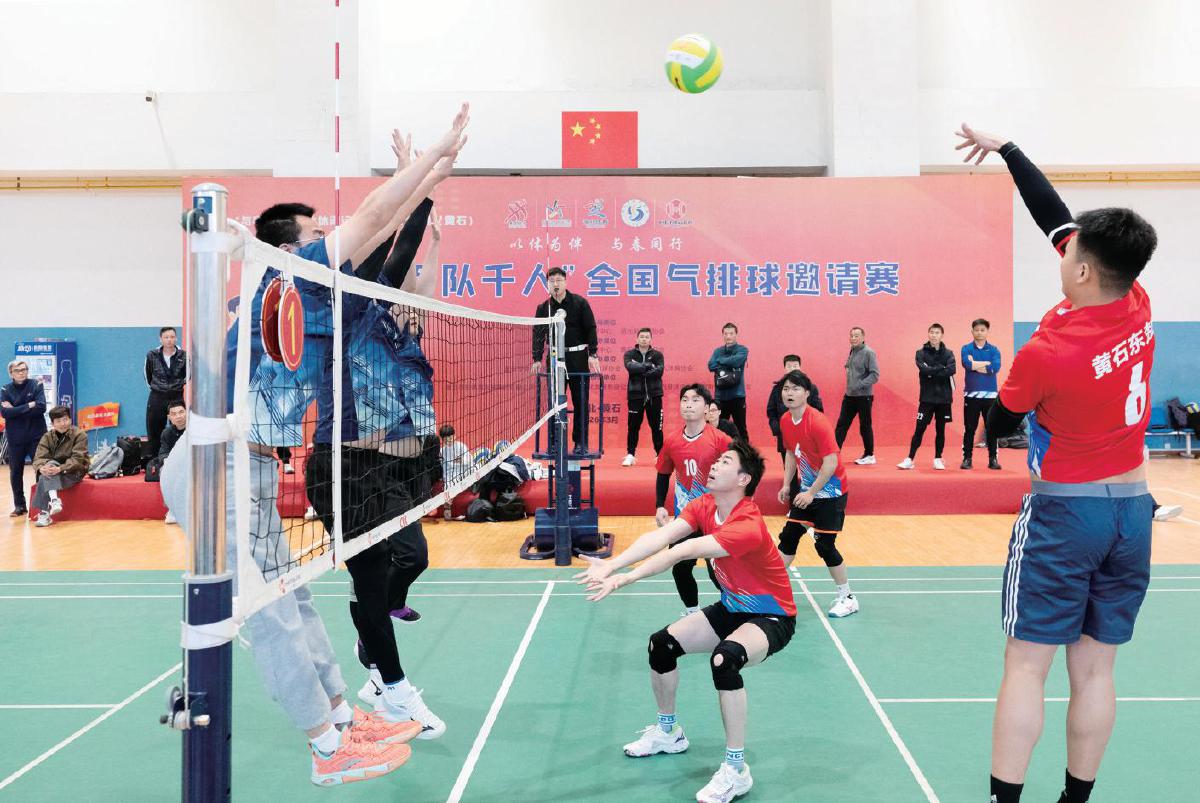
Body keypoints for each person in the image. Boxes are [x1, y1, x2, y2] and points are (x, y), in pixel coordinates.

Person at [203, 108, 469, 783]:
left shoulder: (320, 297)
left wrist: (428, 178)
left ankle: (346, 717)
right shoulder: (292, 278)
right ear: (292, 248)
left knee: (293, 601)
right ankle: (327, 749)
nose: (333, 238)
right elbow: (377, 220)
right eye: (319, 232)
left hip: (254, 467)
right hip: (219, 464)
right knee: (272, 617)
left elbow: (386, 237)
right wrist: (429, 160)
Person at [955, 123, 1159, 803]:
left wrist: (1021, 397)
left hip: (1065, 513)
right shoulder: (1136, 302)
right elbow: (1055, 216)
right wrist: (1009, 151)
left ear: (1083, 270)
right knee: (1096, 671)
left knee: (1025, 665)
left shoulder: (1048, 349)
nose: (1061, 249)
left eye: (1069, 251)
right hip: (1133, 511)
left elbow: (1000, 421)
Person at [305, 126, 455, 737]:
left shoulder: (376, 312)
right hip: (342, 467)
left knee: (407, 558)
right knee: (369, 583)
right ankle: (391, 687)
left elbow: (399, 249)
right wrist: (416, 176)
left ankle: (378, 663)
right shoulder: (334, 306)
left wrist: (427, 183)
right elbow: (386, 241)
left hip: (388, 463)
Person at [576, 440, 794, 803]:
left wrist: (625, 579)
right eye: (717, 460)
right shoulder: (704, 504)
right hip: (732, 607)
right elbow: (662, 536)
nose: (714, 465)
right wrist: (612, 564)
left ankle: (736, 769)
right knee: (661, 645)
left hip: (772, 615)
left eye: (725, 462)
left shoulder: (748, 524)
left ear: (743, 479)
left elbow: (683, 550)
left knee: (725, 659)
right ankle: (668, 732)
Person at [775, 371, 858, 618]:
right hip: (807, 491)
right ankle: (770, 591)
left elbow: (831, 463)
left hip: (831, 492)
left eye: (795, 389)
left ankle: (847, 597)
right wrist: (786, 484)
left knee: (824, 545)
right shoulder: (785, 420)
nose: (789, 393)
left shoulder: (818, 422)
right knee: (789, 537)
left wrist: (811, 493)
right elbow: (791, 453)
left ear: (807, 393)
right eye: (786, 388)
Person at [654, 385, 733, 615]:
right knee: (679, 567)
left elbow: (741, 471)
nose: (689, 404)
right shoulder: (672, 441)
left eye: (696, 400)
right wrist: (660, 505)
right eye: (685, 399)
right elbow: (663, 473)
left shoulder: (720, 440)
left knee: (717, 570)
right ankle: (692, 612)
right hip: (686, 518)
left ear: (707, 409)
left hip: (714, 517)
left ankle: (735, 609)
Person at [532, 267, 600, 454]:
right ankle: (555, 443)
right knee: (555, 404)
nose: (555, 284)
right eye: (551, 281)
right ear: (547, 284)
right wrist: (536, 358)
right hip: (554, 359)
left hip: (578, 358)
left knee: (581, 403)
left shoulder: (580, 303)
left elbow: (591, 328)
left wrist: (593, 354)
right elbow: (538, 334)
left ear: (565, 282)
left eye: (559, 280)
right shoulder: (543, 308)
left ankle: (580, 443)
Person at [897, 323, 957, 470]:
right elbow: (924, 370)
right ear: (928, 334)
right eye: (932, 332)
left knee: (940, 429)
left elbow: (951, 370)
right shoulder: (920, 353)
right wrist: (940, 368)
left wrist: (931, 371)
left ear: (942, 335)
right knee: (919, 429)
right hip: (927, 398)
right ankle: (910, 459)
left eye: (937, 333)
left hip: (944, 399)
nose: (934, 335)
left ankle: (938, 458)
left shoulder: (949, 353)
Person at [1, 359, 47, 517]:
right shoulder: (5, 389)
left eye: (24, 369)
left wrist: (15, 410)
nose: (21, 373)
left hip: (36, 435)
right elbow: (5, 413)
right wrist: (28, 405)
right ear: (11, 373)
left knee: (40, 469)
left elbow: (41, 407)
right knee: (15, 472)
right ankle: (20, 506)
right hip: (15, 437)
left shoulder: (36, 385)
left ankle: (41, 505)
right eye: (17, 370)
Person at [30, 406, 89, 527]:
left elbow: (78, 459)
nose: (63, 424)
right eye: (58, 421)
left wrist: (60, 468)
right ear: (52, 424)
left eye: (65, 419)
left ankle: (44, 513)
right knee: (46, 470)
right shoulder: (47, 437)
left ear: (70, 420)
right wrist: (41, 468)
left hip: (74, 471)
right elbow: (38, 458)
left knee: (46, 474)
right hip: (53, 469)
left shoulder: (80, 435)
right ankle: (54, 501)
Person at [960, 318, 1003, 470]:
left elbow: (995, 368)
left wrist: (976, 365)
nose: (979, 332)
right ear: (972, 331)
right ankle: (967, 459)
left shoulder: (994, 350)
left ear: (987, 332)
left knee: (992, 428)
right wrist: (985, 364)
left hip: (990, 396)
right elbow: (967, 364)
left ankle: (993, 459)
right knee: (969, 428)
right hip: (971, 396)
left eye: (982, 330)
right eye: (977, 330)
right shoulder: (966, 348)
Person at [766, 354, 823, 467]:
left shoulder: (811, 388)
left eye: (795, 366)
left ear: (800, 367)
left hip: (806, 433)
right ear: (784, 368)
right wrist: (777, 429)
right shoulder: (778, 389)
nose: (792, 369)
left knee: (809, 467)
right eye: (789, 366)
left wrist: (813, 429)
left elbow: (818, 410)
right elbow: (771, 410)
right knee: (789, 466)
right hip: (785, 433)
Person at [834, 327, 880, 465]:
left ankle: (869, 455)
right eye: (852, 335)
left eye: (856, 336)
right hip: (850, 396)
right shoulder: (853, 350)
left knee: (865, 426)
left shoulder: (869, 352)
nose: (853, 338)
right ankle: (833, 453)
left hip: (864, 397)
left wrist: (859, 384)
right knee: (842, 424)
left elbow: (875, 375)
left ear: (863, 337)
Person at [144, 326, 188, 461]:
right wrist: (159, 388)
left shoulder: (184, 355)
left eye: (172, 337)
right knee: (154, 430)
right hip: (157, 397)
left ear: (176, 338)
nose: (169, 340)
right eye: (166, 337)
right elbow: (147, 376)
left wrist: (176, 387)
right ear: (161, 339)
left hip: (176, 396)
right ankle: (155, 462)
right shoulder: (152, 355)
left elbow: (188, 376)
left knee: (180, 427)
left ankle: (180, 459)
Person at [622, 327, 664, 466]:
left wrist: (640, 368)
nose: (644, 339)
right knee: (633, 427)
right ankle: (630, 455)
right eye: (642, 337)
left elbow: (659, 371)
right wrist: (648, 366)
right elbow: (630, 367)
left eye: (647, 337)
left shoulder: (658, 355)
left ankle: (660, 454)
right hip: (635, 396)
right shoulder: (629, 354)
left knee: (657, 427)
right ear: (637, 339)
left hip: (654, 396)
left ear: (651, 339)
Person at [708, 323, 749, 441]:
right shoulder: (717, 351)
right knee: (718, 428)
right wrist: (728, 363)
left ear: (736, 334)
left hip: (737, 396)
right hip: (720, 397)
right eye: (726, 334)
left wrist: (720, 361)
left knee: (741, 428)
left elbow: (736, 361)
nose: (728, 336)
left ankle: (744, 452)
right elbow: (711, 365)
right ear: (723, 335)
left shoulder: (743, 350)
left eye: (731, 333)